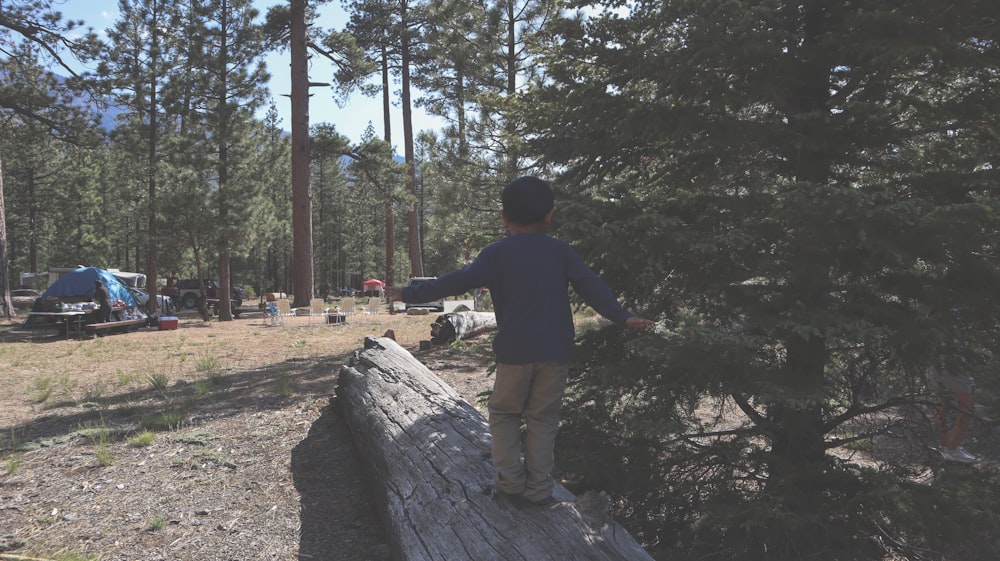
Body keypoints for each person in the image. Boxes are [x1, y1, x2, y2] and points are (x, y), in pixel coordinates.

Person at [386, 176, 654, 507]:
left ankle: (509, 485)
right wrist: (622, 316)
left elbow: (456, 280)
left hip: (514, 353)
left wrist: (411, 293)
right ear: (549, 216)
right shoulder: (560, 251)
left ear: (505, 218)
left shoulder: (496, 254)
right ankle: (540, 490)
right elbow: (591, 285)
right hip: (555, 352)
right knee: (543, 419)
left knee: (504, 415)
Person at [927, 366, 977, 463]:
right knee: (967, 407)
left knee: (941, 402)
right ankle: (952, 449)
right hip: (953, 366)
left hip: (934, 365)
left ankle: (945, 448)